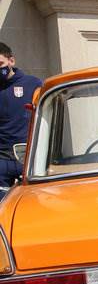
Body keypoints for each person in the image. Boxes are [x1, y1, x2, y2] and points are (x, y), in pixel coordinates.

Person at [0, 43, 42, 188]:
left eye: (0, 64)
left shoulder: (33, 84)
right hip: (2, 160)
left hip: (29, 158)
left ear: (11, 61)